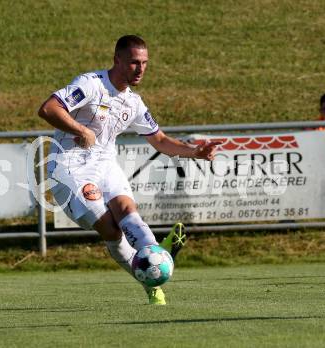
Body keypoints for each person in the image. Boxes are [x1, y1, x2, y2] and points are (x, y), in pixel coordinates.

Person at [38, 35, 219, 305]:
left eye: (145, 63)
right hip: (69, 168)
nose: (140, 69)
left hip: (105, 164)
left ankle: (154, 257)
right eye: (134, 62)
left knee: (126, 210)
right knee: (111, 230)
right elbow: (48, 108)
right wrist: (81, 129)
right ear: (117, 59)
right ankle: (149, 274)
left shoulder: (133, 102)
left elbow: (160, 140)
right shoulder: (90, 84)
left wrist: (194, 151)